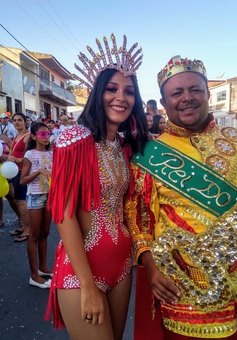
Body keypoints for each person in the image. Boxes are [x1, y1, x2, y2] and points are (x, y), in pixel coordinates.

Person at [125, 55, 237, 339]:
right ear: (164, 103)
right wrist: (150, 266)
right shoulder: (147, 155)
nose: (187, 98)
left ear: (207, 95)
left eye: (195, 90)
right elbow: (138, 218)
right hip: (185, 289)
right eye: (176, 93)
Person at [45, 34, 147, 340]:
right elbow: (63, 215)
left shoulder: (126, 147)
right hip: (81, 272)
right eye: (112, 89)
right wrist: (88, 285)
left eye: (129, 92)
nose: (121, 97)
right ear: (97, 92)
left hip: (122, 264)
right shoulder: (74, 140)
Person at [20, 122, 53, 289]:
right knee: (34, 235)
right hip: (35, 196)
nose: (46, 137)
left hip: (49, 196)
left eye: (48, 134)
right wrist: (39, 171)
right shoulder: (30, 154)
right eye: (42, 134)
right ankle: (34, 275)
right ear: (34, 136)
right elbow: (22, 180)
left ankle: (43, 267)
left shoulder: (52, 153)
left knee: (45, 233)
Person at [8, 113, 31, 242]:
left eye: (20, 120)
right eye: (15, 120)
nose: (17, 123)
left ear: (25, 122)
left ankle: (28, 230)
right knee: (17, 200)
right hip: (15, 171)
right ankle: (24, 226)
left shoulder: (27, 136)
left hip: (22, 171)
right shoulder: (17, 135)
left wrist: (15, 159)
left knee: (21, 201)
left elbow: (29, 157)